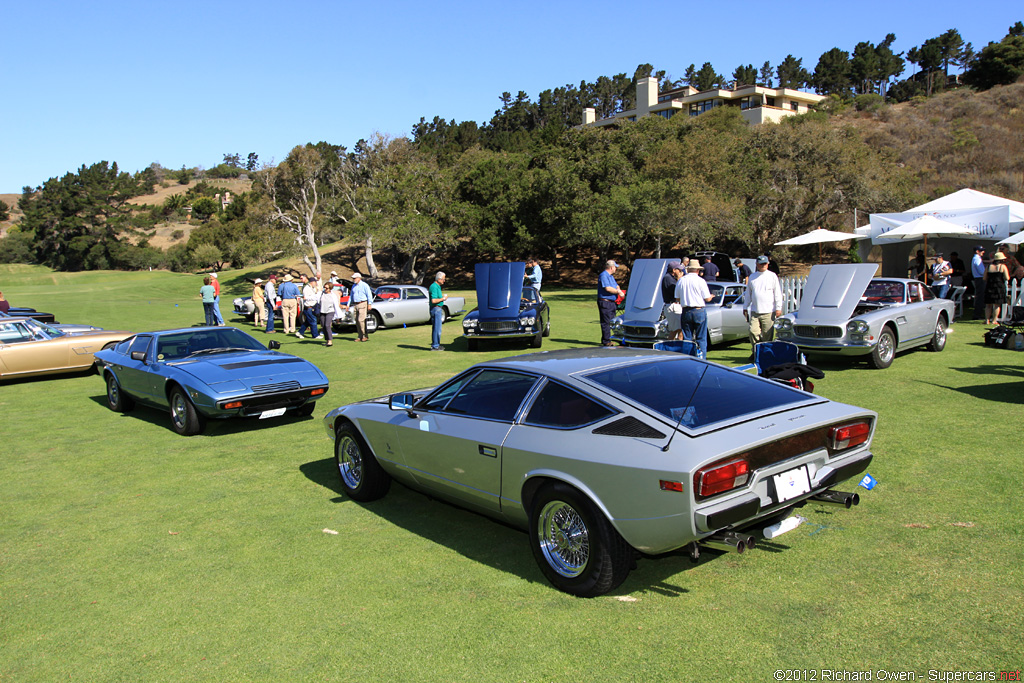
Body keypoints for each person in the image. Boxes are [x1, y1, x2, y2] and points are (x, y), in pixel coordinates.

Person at [743, 256, 783, 351]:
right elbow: (748, 294)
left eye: (765, 264)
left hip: (768, 311)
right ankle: (756, 351)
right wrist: (745, 307)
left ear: (768, 264)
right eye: (761, 264)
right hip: (755, 311)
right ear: (757, 265)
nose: (763, 265)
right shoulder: (753, 277)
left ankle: (764, 353)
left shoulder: (772, 276)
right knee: (753, 331)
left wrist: (778, 307)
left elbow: (777, 293)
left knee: (767, 335)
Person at [675, 261, 714, 358]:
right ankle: (702, 359)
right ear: (697, 270)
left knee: (687, 338)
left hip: (686, 310)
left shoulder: (681, 280)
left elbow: (677, 298)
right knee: (701, 338)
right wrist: (712, 296)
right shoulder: (700, 281)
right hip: (698, 309)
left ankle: (688, 359)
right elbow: (707, 298)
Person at [597, 260, 624, 347]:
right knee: (606, 322)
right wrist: (618, 292)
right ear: (611, 267)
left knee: (612, 321)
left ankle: (610, 339)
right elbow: (608, 288)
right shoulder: (604, 275)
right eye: (615, 267)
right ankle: (606, 341)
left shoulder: (611, 276)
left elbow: (616, 285)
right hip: (605, 302)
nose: (616, 269)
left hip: (612, 302)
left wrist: (618, 289)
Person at [346, 272, 373, 342]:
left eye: (355, 278)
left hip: (363, 303)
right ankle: (359, 336)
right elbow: (351, 296)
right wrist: (348, 305)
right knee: (357, 321)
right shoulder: (353, 286)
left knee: (361, 320)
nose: (353, 279)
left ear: (359, 278)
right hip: (355, 304)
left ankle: (364, 335)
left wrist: (369, 304)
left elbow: (369, 295)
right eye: (353, 278)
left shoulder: (364, 285)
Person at [983, 252, 1010, 324]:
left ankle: (987, 320)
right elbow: (1007, 278)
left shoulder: (988, 266)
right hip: (999, 286)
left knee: (988, 305)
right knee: (997, 305)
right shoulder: (1002, 266)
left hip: (989, 286)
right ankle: (994, 320)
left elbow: (984, 278)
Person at [662, 261, 684, 341]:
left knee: (676, 330)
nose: (680, 272)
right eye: (679, 270)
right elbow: (676, 291)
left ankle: (673, 349)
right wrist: (679, 279)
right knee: (678, 330)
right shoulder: (668, 278)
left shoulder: (670, 278)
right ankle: (676, 350)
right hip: (673, 306)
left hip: (674, 306)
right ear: (674, 270)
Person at [296, 275, 321, 339]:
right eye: (315, 282)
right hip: (308, 307)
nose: (316, 284)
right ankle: (315, 335)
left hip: (312, 306)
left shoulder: (312, 288)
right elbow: (306, 298)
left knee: (308, 321)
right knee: (313, 321)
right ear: (312, 282)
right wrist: (315, 297)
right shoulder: (307, 288)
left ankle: (300, 332)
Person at [429, 271, 448, 350]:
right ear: (439, 279)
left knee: (438, 328)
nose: (444, 281)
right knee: (437, 328)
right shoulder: (434, 286)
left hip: (438, 308)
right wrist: (443, 298)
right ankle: (435, 346)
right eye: (443, 279)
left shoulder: (437, 286)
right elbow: (433, 300)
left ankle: (436, 344)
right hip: (436, 308)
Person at [318, 283, 341, 347]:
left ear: (330, 288)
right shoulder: (321, 293)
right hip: (322, 311)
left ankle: (330, 341)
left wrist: (338, 316)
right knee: (323, 326)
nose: (325, 289)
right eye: (324, 287)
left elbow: (336, 305)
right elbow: (314, 297)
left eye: (327, 288)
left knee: (327, 325)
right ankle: (327, 339)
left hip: (330, 311)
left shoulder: (333, 295)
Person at [971, 245, 987, 319]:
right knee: (980, 297)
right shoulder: (977, 259)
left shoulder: (976, 258)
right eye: (981, 251)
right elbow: (981, 271)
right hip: (980, 279)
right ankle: (977, 314)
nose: (983, 252)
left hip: (978, 278)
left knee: (980, 296)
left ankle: (978, 313)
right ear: (977, 251)